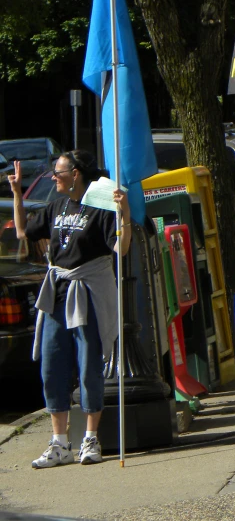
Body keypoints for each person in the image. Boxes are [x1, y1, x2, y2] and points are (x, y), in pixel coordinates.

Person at [9, 150, 131, 468]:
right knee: (52, 366)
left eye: (58, 172)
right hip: (57, 295)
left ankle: (90, 438)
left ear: (75, 173)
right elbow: (24, 232)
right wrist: (16, 194)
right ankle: (59, 443)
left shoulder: (100, 206)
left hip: (86, 294)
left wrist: (124, 214)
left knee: (88, 364)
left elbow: (121, 248)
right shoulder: (56, 205)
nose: (53, 177)